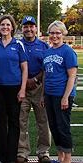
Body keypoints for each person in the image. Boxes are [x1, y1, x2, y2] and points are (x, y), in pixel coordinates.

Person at [0, 15, 28, 163]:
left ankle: (12, 157)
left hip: (15, 88)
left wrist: (23, 89)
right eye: (2, 25)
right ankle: (2, 157)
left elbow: (24, 68)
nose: (5, 27)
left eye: (7, 25)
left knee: (14, 123)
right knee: (0, 123)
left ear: (12, 27)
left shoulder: (18, 44)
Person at [16, 16, 51, 163]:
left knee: (43, 121)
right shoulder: (17, 44)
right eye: (26, 26)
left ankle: (43, 152)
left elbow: (47, 67)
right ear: (22, 28)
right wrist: (24, 83)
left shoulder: (43, 46)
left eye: (31, 26)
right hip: (22, 88)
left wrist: (36, 79)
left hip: (39, 87)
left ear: (36, 28)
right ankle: (22, 152)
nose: (29, 29)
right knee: (21, 121)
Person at [42, 20, 77, 163]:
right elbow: (45, 75)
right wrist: (43, 95)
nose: (55, 35)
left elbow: (72, 76)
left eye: (58, 33)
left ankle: (67, 159)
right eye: (52, 33)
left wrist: (65, 97)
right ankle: (60, 157)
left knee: (63, 127)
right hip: (49, 94)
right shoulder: (47, 52)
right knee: (54, 127)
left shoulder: (68, 51)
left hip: (62, 95)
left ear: (63, 34)